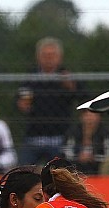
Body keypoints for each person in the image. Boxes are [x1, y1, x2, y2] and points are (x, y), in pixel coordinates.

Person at [16, 37, 84, 165]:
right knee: (23, 170)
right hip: (34, 137)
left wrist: (71, 87)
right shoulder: (30, 78)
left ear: (60, 57)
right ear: (38, 57)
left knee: (60, 173)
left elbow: (83, 98)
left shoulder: (66, 77)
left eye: (52, 55)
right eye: (45, 55)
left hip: (60, 137)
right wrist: (22, 105)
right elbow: (19, 100)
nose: (49, 59)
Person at [62, 109, 109, 174]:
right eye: (87, 116)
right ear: (81, 117)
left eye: (93, 116)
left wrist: (94, 158)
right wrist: (79, 157)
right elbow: (68, 153)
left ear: (99, 118)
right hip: (76, 163)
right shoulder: (73, 132)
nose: (90, 119)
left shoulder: (105, 133)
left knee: (108, 165)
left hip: (99, 163)